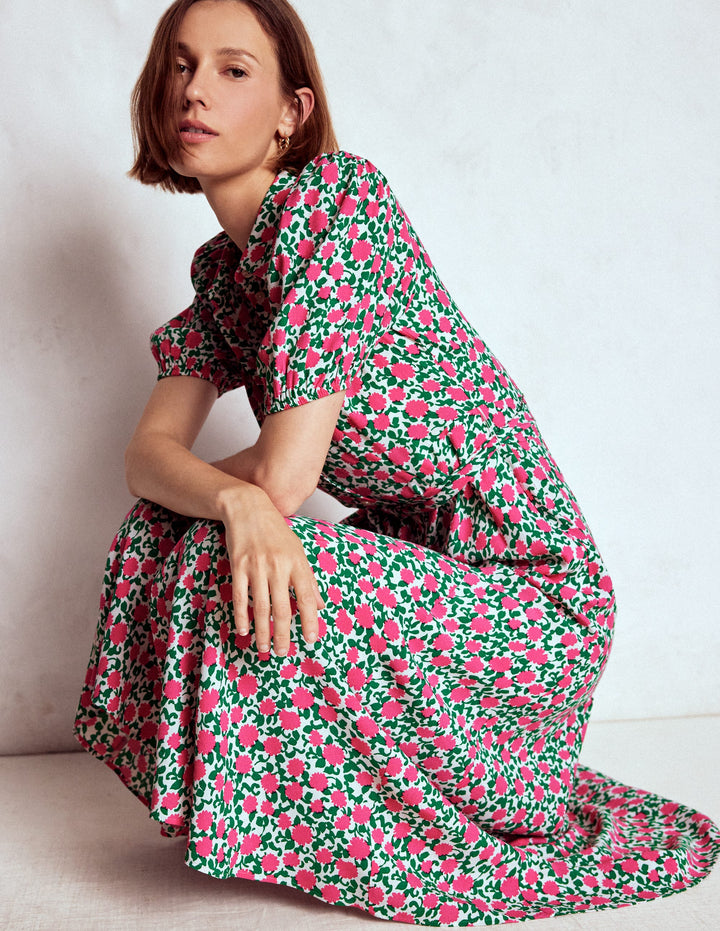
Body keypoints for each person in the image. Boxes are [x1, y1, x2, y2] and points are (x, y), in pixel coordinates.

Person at [74, 0, 719, 925]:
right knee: (160, 532)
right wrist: (237, 502)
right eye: (180, 66)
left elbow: (285, 481)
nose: (195, 91)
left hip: (531, 604)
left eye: (232, 69)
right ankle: (239, 809)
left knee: (235, 538)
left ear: (292, 112)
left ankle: (359, 822)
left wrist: (248, 503)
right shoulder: (225, 276)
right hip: (426, 581)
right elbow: (148, 457)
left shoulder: (339, 205)